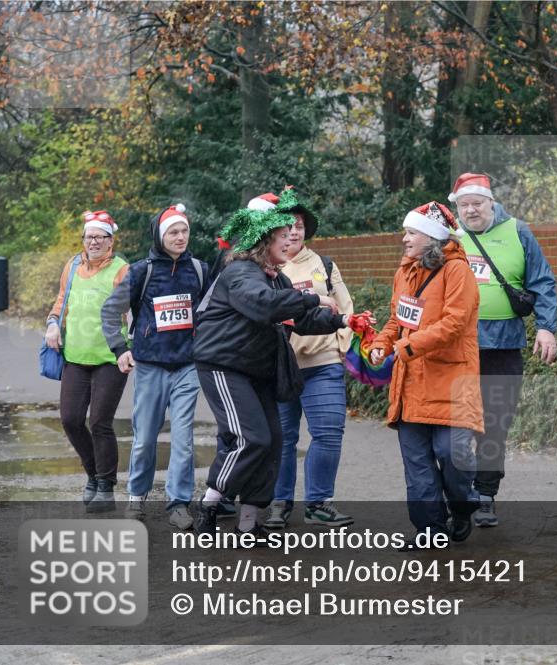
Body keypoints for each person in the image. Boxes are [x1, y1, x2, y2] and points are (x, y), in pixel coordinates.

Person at [191, 198, 359, 539]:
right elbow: (264, 306)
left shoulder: (276, 278)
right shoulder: (240, 272)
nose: (290, 238)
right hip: (225, 366)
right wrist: (314, 297)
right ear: (264, 240)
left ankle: (249, 525)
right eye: (283, 234)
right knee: (250, 438)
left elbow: (301, 319)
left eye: (292, 232)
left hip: (259, 370)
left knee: (272, 444)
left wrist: (343, 320)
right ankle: (208, 504)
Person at [369, 202, 483, 549]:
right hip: (411, 383)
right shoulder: (404, 271)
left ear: (432, 237)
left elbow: (454, 323)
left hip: (451, 381)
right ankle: (430, 530)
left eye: (411, 233)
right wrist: (381, 343)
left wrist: (407, 346)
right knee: (417, 464)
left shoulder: (457, 271)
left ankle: (462, 506)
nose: (404, 239)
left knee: (452, 455)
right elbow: (397, 319)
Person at [449, 173, 557, 527]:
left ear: (491, 203)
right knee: (457, 423)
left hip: (504, 344)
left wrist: (546, 327)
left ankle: (485, 494)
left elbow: (542, 281)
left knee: (495, 423)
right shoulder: (449, 237)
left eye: (477, 203)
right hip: (457, 347)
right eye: (464, 205)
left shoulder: (518, 231)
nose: (471, 210)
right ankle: (459, 493)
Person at [100, 204, 207, 530]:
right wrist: (120, 348)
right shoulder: (140, 271)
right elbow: (110, 312)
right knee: (145, 438)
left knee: (183, 441)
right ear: (161, 236)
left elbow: (211, 312)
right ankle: (137, 496)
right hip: (150, 367)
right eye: (173, 232)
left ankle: (179, 503)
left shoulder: (199, 270)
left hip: (187, 366)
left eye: (184, 231)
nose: (180, 237)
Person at [264, 188, 356, 529]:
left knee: (328, 434)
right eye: (287, 226)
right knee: (283, 438)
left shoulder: (324, 265)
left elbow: (346, 308)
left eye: (299, 226)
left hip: (322, 364)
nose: (293, 232)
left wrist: (340, 347)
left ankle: (319, 502)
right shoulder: (265, 266)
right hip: (280, 367)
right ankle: (279, 503)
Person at [45, 210, 130, 512]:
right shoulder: (72, 266)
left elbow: (135, 308)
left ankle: (105, 486)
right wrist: (53, 323)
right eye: (89, 236)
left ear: (110, 241)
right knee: (70, 419)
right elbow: (61, 300)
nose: (93, 242)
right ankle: (93, 474)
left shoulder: (122, 270)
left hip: (110, 358)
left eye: (100, 237)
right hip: (75, 356)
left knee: (100, 423)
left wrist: (131, 346)